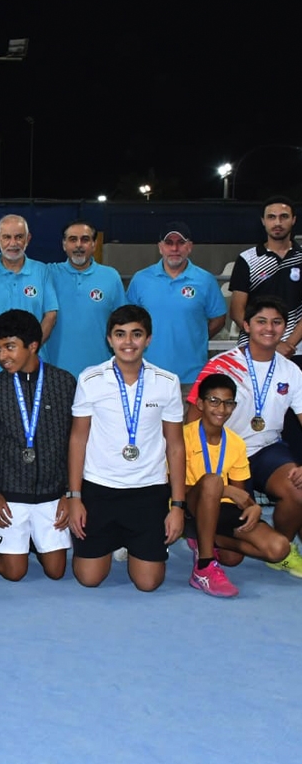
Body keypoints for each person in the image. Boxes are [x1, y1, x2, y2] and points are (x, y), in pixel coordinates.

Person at [65, 305, 186, 591]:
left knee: (148, 583)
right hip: (100, 489)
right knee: (89, 578)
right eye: (120, 334)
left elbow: (176, 446)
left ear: (148, 339)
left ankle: (132, 543)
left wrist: (178, 506)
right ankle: (117, 541)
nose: (128, 342)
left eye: (136, 334)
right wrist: (74, 497)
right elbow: (78, 439)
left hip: (148, 490)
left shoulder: (167, 382)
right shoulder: (90, 379)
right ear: (109, 339)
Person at [187, 295, 302, 577]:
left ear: (284, 327)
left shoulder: (291, 371)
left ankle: (282, 549)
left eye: (276, 322)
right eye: (261, 321)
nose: (269, 328)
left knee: (298, 489)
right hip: (225, 455)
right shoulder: (221, 365)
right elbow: (192, 420)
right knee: (230, 559)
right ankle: (199, 532)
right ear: (247, 325)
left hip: (266, 450)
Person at [0, 310, 74, 580]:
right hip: (10, 494)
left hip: (52, 494)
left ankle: (32, 539)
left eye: (10, 347)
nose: (2, 356)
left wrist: (69, 493)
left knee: (56, 571)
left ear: (33, 346)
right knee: (14, 573)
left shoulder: (64, 382)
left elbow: (74, 441)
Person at [180, 372, 290, 597]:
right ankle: (204, 567)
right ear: (200, 404)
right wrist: (225, 488)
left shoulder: (236, 443)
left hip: (221, 508)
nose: (221, 409)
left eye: (228, 403)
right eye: (214, 401)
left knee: (276, 549)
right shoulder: (182, 437)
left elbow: (239, 494)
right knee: (213, 481)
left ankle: (203, 539)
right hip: (187, 507)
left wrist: (252, 506)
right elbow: (171, 488)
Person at [125, 222, 225, 388]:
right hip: (148, 376)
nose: (174, 248)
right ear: (160, 247)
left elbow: (219, 318)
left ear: (190, 247)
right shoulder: (141, 279)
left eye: (181, 242)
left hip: (191, 377)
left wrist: (196, 337)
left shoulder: (205, 280)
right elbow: (128, 321)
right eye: (169, 243)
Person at [0, 214, 59, 386]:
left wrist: (29, 351)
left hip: (33, 369)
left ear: (28, 239)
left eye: (19, 237)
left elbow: (50, 315)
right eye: (7, 237)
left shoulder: (42, 271)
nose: (13, 243)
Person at [42, 220, 127, 377]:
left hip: (100, 373)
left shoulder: (110, 276)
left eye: (85, 239)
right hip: (56, 374)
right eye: (73, 239)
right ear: (64, 245)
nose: (79, 245)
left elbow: (123, 325)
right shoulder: (48, 274)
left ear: (94, 245)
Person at [228, 196, 301, 351]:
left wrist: (289, 345)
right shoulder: (247, 259)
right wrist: (266, 341)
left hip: (296, 350)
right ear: (263, 221)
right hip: (254, 348)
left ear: (293, 220)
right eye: (271, 217)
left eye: (284, 217)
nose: (278, 223)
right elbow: (236, 311)